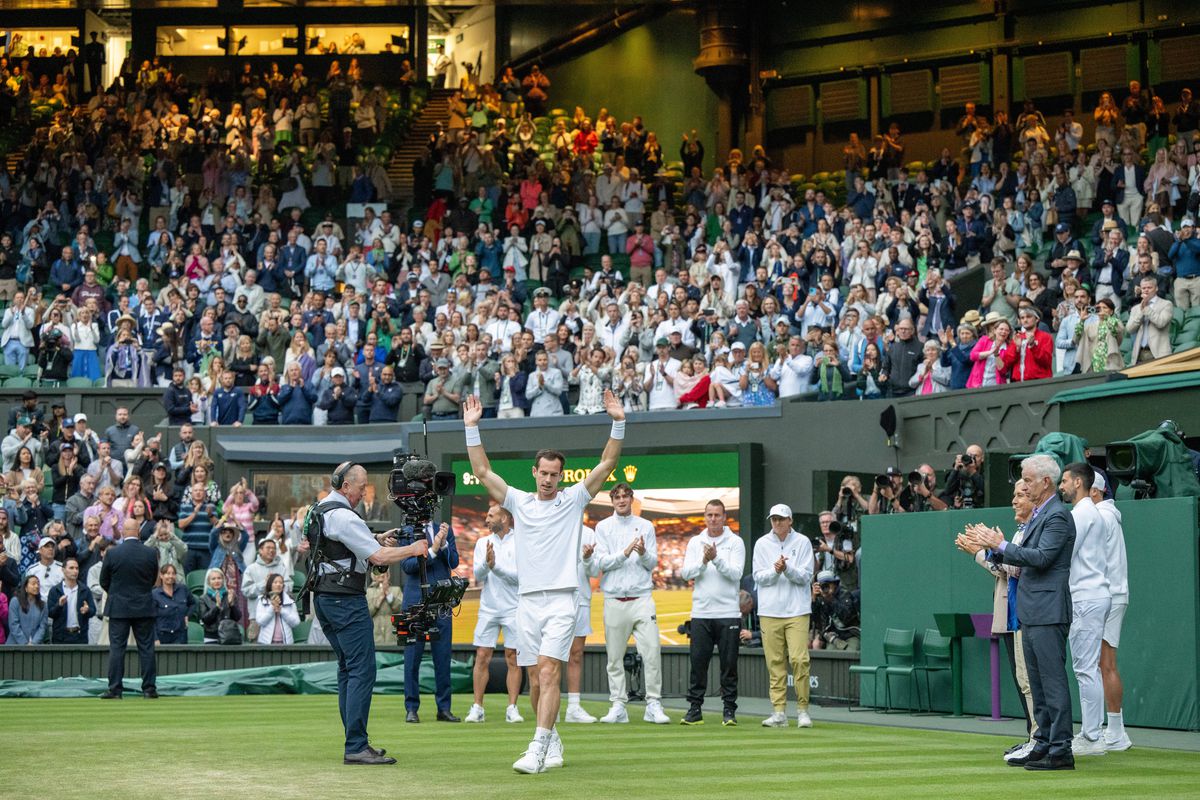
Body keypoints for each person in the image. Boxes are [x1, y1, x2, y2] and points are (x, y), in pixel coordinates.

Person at [461, 389, 625, 774]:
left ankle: (536, 749)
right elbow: (483, 472)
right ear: (534, 473)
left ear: (561, 476)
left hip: (563, 601)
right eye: (544, 473)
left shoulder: (574, 500)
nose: (549, 479)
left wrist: (618, 422)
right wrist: (471, 428)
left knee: (550, 670)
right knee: (536, 680)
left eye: (555, 474)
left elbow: (607, 462)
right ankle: (551, 737)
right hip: (527, 604)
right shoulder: (519, 502)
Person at [961, 455, 1077, 770]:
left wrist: (999, 545)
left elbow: (1041, 558)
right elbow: (1023, 558)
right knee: (1037, 684)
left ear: (1046, 482)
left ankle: (1060, 750)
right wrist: (993, 547)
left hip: (1048, 611)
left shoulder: (1058, 516)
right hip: (1030, 610)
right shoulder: (1042, 515)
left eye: (1027, 480)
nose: (1023, 486)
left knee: (1051, 682)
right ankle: (1043, 742)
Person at [309, 461, 428, 765]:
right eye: (361, 488)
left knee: (348, 669)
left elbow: (337, 548)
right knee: (362, 669)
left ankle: (355, 742)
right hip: (345, 600)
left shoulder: (320, 509)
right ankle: (356, 746)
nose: (364, 493)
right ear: (346, 485)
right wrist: (412, 549)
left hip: (324, 598)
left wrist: (374, 538)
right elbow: (379, 558)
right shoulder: (345, 517)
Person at [585, 483, 670, 725]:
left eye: (625, 496)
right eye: (617, 497)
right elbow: (601, 563)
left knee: (652, 652)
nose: (621, 500)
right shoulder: (603, 527)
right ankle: (618, 705)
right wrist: (624, 553)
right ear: (612, 501)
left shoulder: (645, 526)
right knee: (614, 657)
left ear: (631, 499)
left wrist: (642, 552)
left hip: (642, 598)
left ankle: (653, 703)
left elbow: (652, 563)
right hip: (614, 599)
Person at [965, 480, 1036, 752]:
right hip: (1013, 614)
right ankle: (1034, 737)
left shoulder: (1032, 530)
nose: (1014, 501)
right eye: (1014, 495)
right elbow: (1007, 567)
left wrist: (986, 550)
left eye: (1021, 495)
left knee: (1030, 681)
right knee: (1024, 682)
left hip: (1024, 613)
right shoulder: (1020, 531)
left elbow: (1011, 569)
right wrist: (986, 550)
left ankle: (1039, 739)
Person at [1058, 463, 1111, 756]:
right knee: (1087, 668)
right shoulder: (1089, 512)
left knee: (1085, 668)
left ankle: (1092, 737)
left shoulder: (1081, 514)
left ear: (1078, 482)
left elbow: (1065, 553)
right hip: (1091, 595)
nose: (1061, 486)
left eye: (1065, 481)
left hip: (1086, 597)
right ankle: (1092, 734)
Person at [680, 498, 745, 726]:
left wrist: (716, 558)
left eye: (717, 515)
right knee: (698, 664)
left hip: (728, 612)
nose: (713, 519)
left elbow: (736, 574)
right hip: (701, 612)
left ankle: (729, 710)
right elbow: (685, 573)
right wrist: (704, 561)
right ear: (705, 517)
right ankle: (695, 709)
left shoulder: (735, 542)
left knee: (729, 666)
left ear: (724, 517)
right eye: (710, 515)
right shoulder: (695, 542)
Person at [753, 503, 815, 729]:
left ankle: (803, 710)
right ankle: (779, 712)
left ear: (790, 521)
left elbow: (806, 576)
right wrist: (775, 570)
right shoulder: (762, 543)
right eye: (774, 519)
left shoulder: (803, 542)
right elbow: (758, 576)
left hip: (797, 610)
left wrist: (786, 570)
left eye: (781, 519)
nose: (777, 522)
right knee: (775, 663)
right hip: (770, 611)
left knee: (799, 660)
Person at [465, 506, 524, 724]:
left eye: (491, 515)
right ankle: (477, 708)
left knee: (513, 657)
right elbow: (478, 575)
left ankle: (512, 708)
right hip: (488, 608)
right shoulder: (482, 543)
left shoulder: (520, 542)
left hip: (513, 608)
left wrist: (494, 566)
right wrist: (487, 564)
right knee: (482, 655)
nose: (487, 519)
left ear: (505, 518)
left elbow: (519, 578)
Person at [400, 520, 459, 723]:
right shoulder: (407, 532)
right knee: (411, 657)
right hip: (414, 603)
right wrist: (433, 550)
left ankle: (444, 708)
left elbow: (454, 562)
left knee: (443, 657)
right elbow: (407, 566)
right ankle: (411, 708)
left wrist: (444, 544)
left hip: (442, 602)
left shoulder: (444, 529)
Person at [1090, 472, 1131, 751]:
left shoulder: (1101, 517)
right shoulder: (1104, 515)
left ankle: (1115, 732)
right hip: (1110, 594)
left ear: (1095, 491)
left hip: (1109, 595)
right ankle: (1111, 730)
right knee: (1100, 664)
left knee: (1106, 664)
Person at [99, 518, 160, 699]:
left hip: (119, 608)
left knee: (117, 649)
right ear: (138, 532)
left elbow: (104, 581)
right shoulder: (150, 553)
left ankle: (115, 690)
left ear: (124, 532)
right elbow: (152, 579)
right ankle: (149, 689)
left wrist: (116, 594)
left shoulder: (112, 553)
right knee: (146, 649)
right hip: (143, 606)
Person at [47, 556, 94, 644]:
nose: (75, 571)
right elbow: (50, 613)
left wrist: (87, 610)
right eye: (71, 568)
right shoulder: (55, 590)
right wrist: (59, 605)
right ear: (63, 570)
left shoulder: (85, 589)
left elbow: (93, 611)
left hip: (80, 636)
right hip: (60, 637)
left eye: (77, 568)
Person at [810, 570, 860, 651]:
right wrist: (814, 600)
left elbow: (847, 617)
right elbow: (815, 620)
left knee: (850, 653)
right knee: (830, 654)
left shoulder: (844, 594)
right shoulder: (821, 599)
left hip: (850, 634)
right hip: (834, 637)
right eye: (823, 585)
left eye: (828, 584)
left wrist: (830, 599)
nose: (825, 588)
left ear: (835, 584)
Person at [152, 564, 193, 645]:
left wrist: (188, 615)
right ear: (161, 575)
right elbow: (151, 619)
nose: (171, 576)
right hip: (162, 637)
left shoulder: (183, 589)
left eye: (173, 573)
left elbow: (193, 603)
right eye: (167, 573)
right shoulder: (155, 594)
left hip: (180, 636)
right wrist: (155, 638)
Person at [255, 573, 300, 644]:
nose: (278, 585)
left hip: (286, 642)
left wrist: (281, 610)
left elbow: (296, 622)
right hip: (266, 643)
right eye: (275, 582)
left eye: (281, 583)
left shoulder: (290, 601)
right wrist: (272, 608)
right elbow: (260, 621)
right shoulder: (262, 601)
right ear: (270, 585)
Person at [8, 575, 48, 644]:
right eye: (33, 584)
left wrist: (34, 643)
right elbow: (13, 624)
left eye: (38, 584)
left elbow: (42, 627)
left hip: (36, 646)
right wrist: (24, 643)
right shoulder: (15, 601)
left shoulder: (43, 605)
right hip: (15, 645)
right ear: (25, 587)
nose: (36, 586)